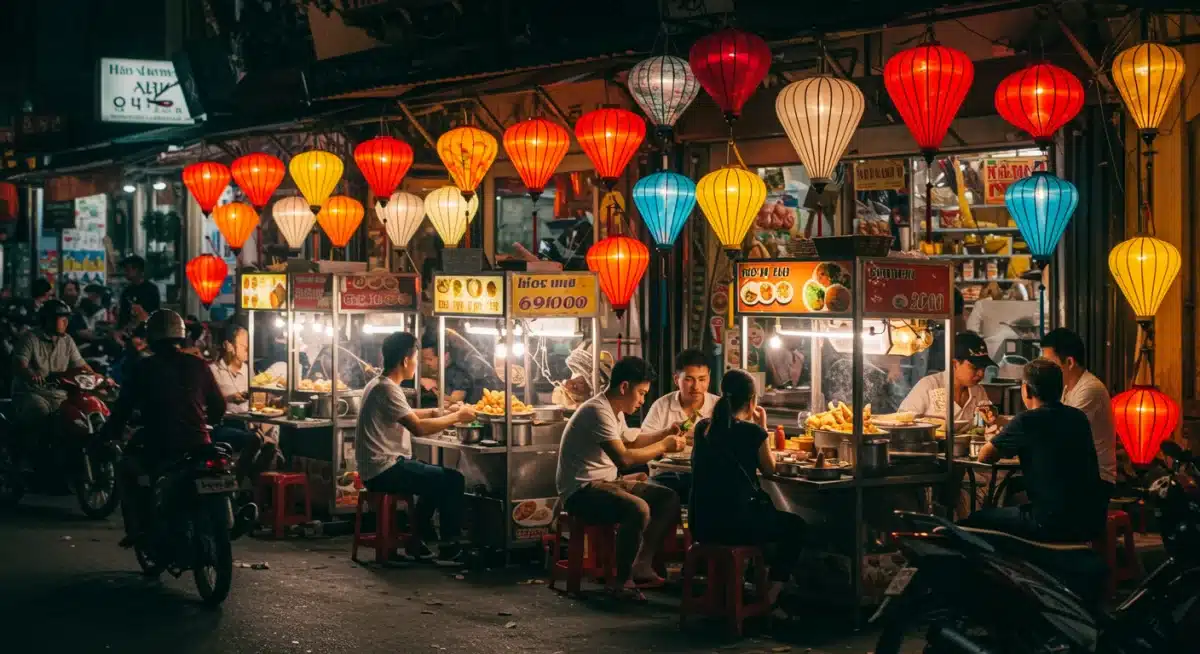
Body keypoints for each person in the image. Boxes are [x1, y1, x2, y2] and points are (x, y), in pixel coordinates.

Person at [554, 356, 685, 598]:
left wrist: (664, 433)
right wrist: (664, 445)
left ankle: (641, 564)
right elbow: (623, 458)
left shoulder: (615, 410)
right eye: (642, 393)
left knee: (668, 499)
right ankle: (621, 581)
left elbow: (631, 440)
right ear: (624, 387)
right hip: (581, 491)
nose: (643, 400)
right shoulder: (597, 411)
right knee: (638, 508)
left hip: (607, 484)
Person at [355, 332, 477, 565]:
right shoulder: (387, 389)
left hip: (378, 467)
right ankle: (450, 546)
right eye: (416, 359)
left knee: (434, 477)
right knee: (452, 480)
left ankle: (415, 539)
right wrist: (458, 416)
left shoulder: (379, 384)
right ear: (404, 361)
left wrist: (438, 412)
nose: (417, 365)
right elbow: (418, 428)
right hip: (384, 470)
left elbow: (407, 414)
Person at [107, 310, 226, 545]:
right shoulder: (199, 365)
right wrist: (205, 422)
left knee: (128, 468)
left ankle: (139, 528)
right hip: (199, 441)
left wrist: (108, 433)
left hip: (160, 444)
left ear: (151, 338)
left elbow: (122, 409)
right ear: (180, 337)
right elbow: (219, 405)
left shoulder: (144, 367)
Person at [690, 368, 806, 605]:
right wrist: (762, 428)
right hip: (736, 527)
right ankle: (770, 596)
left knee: (768, 520)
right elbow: (770, 469)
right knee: (795, 527)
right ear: (752, 400)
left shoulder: (703, 428)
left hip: (701, 523)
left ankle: (746, 584)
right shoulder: (753, 433)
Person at [965, 359, 1107, 543]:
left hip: (1049, 522)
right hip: (1090, 520)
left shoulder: (1026, 421)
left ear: (1026, 390)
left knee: (974, 521)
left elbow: (985, 456)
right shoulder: (1077, 417)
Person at [1039, 328, 1117, 493]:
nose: (1044, 370)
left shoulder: (1089, 389)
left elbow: (1059, 433)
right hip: (1075, 474)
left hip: (1096, 480)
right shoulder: (1067, 388)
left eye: (1049, 364)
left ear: (1069, 362)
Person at [637, 349, 719, 495]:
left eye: (702, 379)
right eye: (689, 379)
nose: (696, 386)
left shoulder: (719, 407)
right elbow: (643, 445)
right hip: (666, 476)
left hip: (707, 477)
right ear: (676, 379)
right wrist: (666, 444)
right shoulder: (661, 406)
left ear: (709, 378)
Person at [11, 300, 89, 451]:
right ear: (48, 319)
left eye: (67, 318)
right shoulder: (30, 338)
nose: (66, 322)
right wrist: (31, 374)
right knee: (40, 413)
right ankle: (30, 455)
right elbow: (20, 363)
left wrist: (100, 378)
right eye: (61, 317)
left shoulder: (67, 340)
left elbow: (81, 365)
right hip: (33, 392)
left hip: (60, 394)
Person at [209, 323, 275, 480]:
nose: (248, 350)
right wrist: (230, 398)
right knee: (255, 439)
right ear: (228, 345)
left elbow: (256, 400)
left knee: (271, 445)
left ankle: (251, 484)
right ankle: (237, 483)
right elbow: (208, 403)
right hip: (223, 426)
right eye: (243, 345)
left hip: (247, 426)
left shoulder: (248, 370)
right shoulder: (213, 370)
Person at [898, 332, 992, 420]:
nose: (981, 374)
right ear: (955, 364)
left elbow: (987, 422)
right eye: (975, 368)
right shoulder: (929, 385)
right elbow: (903, 420)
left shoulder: (979, 391)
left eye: (983, 368)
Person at [420, 328, 501, 405]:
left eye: (429, 359)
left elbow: (454, 402)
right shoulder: (441, 370)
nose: (426, 362)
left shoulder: (460, 373)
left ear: (445, 356)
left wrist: (435, 386)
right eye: (424, 359)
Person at [116, 255, 161, 335]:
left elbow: (153, 314)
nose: (125, 272)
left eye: (127, 269)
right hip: (127, 334)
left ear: (137, 270)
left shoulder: (151, 289)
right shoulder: (126, 291)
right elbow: (123, 316)